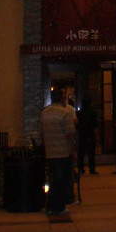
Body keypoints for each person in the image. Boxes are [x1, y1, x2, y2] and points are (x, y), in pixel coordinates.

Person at [39, 87, 78, 216]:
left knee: (53, 180)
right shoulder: (65, 113)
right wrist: (73, 151)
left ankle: (50, 206)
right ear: (62, 98)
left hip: (50, 152)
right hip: (63, 152)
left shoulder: (44, 113)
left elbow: (41, 132)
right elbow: (69, 134)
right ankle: (59, 206)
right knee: (62, 181)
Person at [77, 95, 99, 175]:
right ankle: (92, 169)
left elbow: (77, 125)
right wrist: (97, 136)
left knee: (81, 154)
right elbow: (95, 125)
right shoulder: (93, 113)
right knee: (91, 153)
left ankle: (80, 169)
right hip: (90, 134)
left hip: (82, 134)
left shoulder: (79, 113)